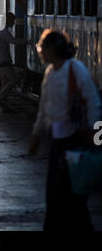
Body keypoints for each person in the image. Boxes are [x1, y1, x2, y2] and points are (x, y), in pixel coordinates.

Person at [28, 29, 101, 231]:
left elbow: (94, 102)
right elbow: (44, 107)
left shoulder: (75, 69)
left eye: (42, 47)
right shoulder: (51, 73)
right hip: (58, 142)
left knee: (73, 196)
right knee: (56, 194)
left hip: (76, 141)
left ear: (52, 49)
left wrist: (96, 136)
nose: (40, 51)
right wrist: (36, 135)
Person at [0, 11, 29, 108]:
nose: (13, 23)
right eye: (12, 21)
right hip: (4, 60)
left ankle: (5, 106)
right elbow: (13, 41)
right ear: (8, 21)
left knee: (4, 84)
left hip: (0, 61)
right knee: (13, 80)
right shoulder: (4, 31)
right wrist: (26, 42)